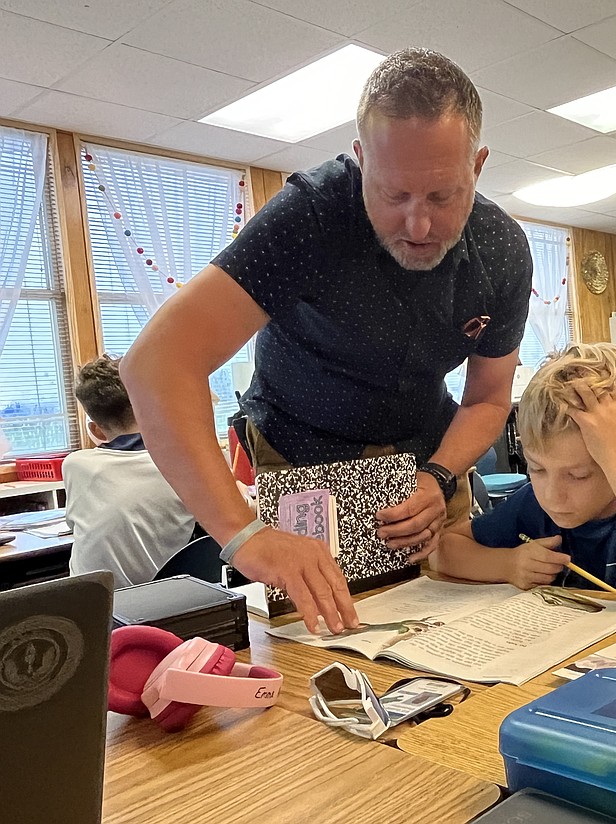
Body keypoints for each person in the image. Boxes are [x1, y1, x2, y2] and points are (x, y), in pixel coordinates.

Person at [120, 48, 533, 634]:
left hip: (425, 465)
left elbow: (488, 399)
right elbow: (158, 365)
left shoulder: (502, 250)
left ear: (479, 165)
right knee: (315, 640)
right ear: (362, 160)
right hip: (299, 454)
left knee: (457, 628)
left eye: (442, 197)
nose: (418, 226)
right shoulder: (309, 218)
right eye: (393, 195)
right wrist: (244, 537)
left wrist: (441, 476)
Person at [431, 343, 616, 614]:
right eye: (537, 469)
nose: (553, 496)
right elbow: (442, 551)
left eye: (579, 475)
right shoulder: (532, 503)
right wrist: (507, 564)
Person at [63, 355, 197, 588]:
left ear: (96, 429)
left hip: (93, 608)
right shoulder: (185, 462)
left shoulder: (75, 465)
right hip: (170, 599)